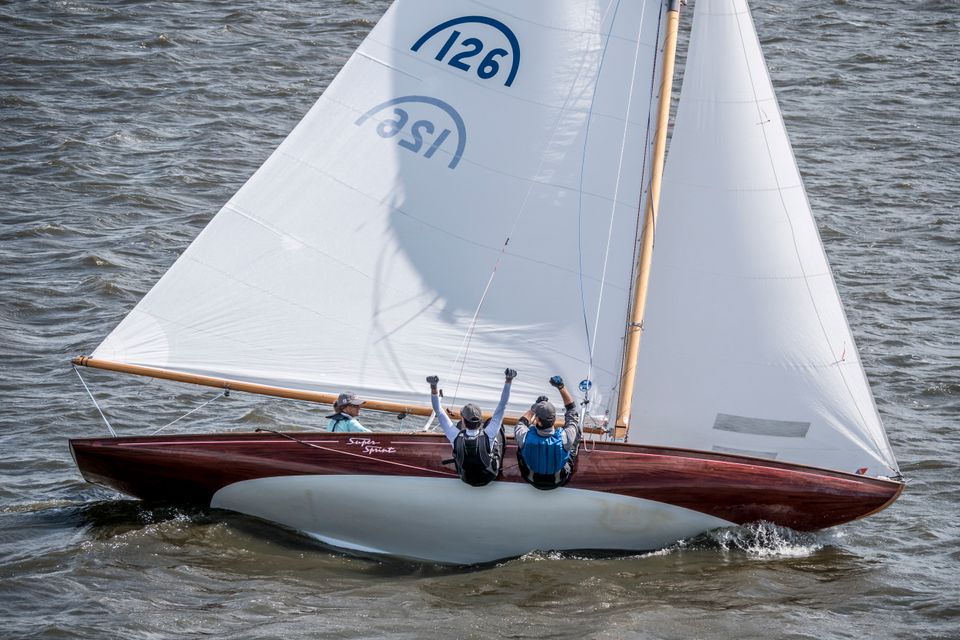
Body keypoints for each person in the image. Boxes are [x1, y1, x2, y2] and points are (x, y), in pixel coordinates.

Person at [426, 368, 515, 486]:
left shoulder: (455, 435)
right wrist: (508, 380)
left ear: (463, 419)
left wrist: (434, 387)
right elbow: (502, 405)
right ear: (480, 421)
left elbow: (438, 410)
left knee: (458, 428)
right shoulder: (489, 433)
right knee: (498, 428)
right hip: (489, 476)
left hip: (466, 478)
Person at [514, 375, 581, 490]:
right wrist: (561, 387)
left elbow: (522, 422)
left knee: (521, 445)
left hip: (531, 479)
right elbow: (572, 411)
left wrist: (535, 407)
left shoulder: (524, 436)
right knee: (576, 430)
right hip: (558, 480)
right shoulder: (565, 437)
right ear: (554, 419)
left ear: (537, 421)